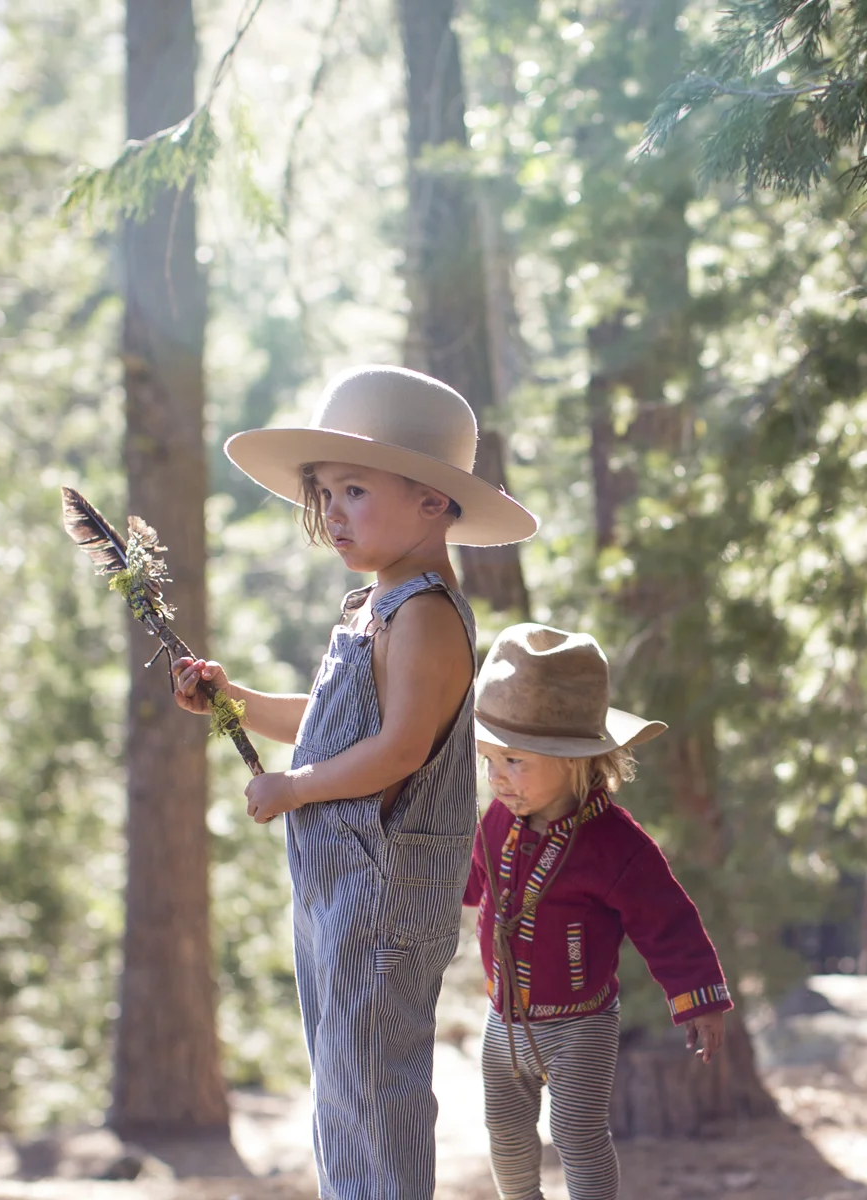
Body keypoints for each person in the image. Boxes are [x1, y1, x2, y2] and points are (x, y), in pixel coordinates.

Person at [170, 364, 538, 1200]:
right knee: (341, 1086)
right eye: (324, 492)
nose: (333, 512)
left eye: (356, 490)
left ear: (433, 502)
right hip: (339, 887)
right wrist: (234, 699)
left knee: (376, 1089)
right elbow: (332, 722)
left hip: (385, 895)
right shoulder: (370, 608)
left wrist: (294, 790)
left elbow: (402, 747)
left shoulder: (427, 617)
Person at [463, 623, 734, 1200]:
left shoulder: (616, 843)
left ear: (574, 760)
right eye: (489, 760)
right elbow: (468, 883)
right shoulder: (496, 822)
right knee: (506, 1133)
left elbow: (668, 923)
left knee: (576, 1133)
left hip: (581, 1024)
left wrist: (699, 999)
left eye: (513, 761)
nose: (497, 778)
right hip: (503, 1019)